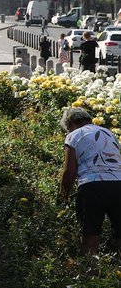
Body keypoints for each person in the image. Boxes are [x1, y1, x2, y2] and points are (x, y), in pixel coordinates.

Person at [58, 107, 121, 254]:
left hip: (92, 186)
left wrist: (63, 196)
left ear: (71, 123)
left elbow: (69, 172)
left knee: (90, 237)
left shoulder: (73, 135)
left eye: (67, 128)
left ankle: (90, 274)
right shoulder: (108, 133)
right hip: (118, 183)